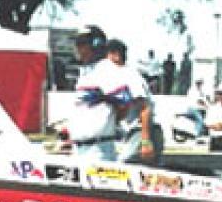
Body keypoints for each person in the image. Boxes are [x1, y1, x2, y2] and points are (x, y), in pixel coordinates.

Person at [68, 24, 127, 161]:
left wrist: (107, 124)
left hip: (98, 149)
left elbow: (124, 105)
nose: (78, 48)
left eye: (82, 44)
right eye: (77, 44)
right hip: (80, 148)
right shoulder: (86, 71)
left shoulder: (106, 70)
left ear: (96, 44)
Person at [106, 39, 159, 164]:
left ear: (116, 55)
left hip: (142, 131)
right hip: (131, 133)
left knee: (121, 169)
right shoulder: (116, 77)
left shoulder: (130, 76)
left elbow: (145, 108)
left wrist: (145, 141)